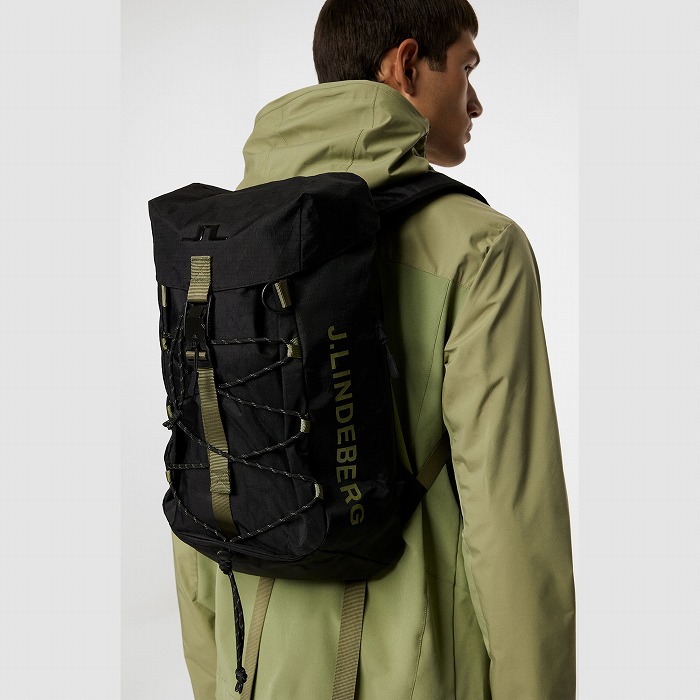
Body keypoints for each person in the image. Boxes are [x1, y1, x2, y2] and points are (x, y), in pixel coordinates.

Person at [171, 0, 576, 697]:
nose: (475, 101)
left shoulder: (226, 240)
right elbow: (513, 520)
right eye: (467, 68)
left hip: (256, 671)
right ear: (406, 64)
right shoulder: (479, 248)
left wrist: (216, 683)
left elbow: (200, 486)